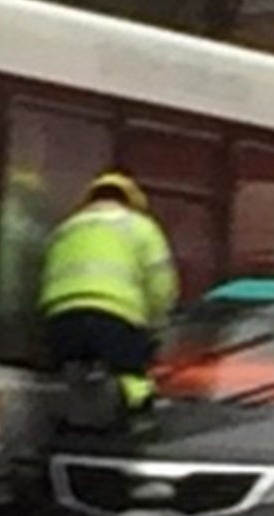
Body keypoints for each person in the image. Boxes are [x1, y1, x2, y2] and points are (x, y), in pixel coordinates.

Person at [38, 172, 178, 411]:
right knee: (133, 379)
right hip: (115, 317)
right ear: (131, 202)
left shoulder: (64, 229)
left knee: (68, 381)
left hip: (61, 318)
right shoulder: (140, 226)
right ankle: (135, 418)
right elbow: (160, 285)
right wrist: (156, 327)